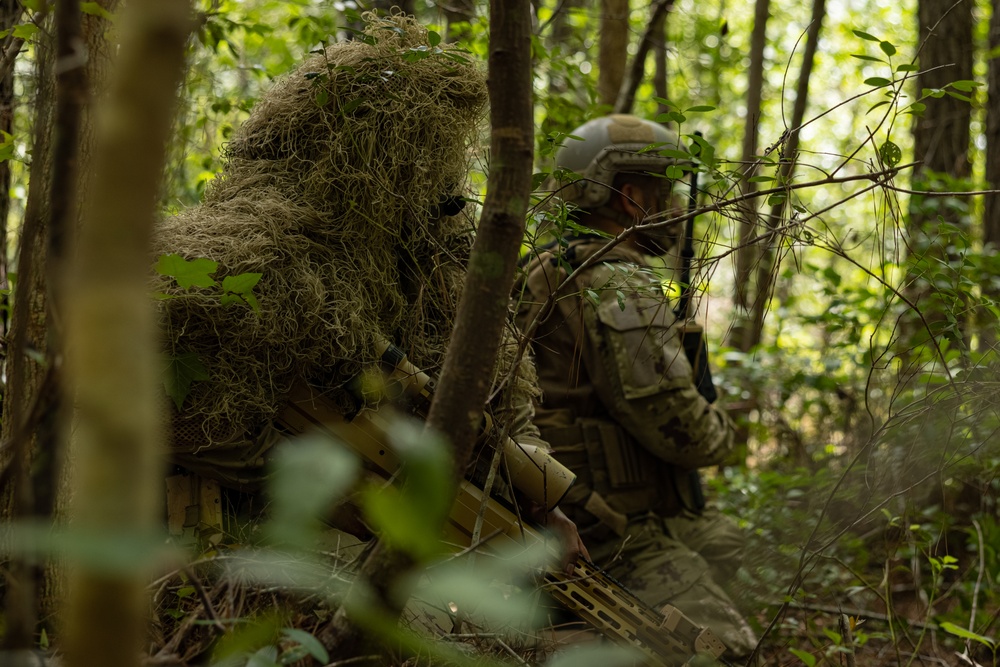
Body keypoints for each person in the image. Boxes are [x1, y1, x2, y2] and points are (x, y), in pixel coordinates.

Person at [514, 113, 759, 658]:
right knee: (728, 651)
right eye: (666, 196)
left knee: (731, 548)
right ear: (630, 198)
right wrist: (724, 432)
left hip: (582, 507)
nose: (676, 211)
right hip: (605, 525)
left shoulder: (545, 266)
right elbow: (681, 431)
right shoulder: (619, 282)